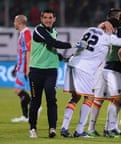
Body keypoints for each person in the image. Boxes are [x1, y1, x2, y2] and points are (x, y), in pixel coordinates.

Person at [60, 18, 121, 138]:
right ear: (112, 28)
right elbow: (120, 42)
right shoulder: (107, 38)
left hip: (73, 64)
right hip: (85, 69)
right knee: (89, 98)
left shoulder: (90, 29)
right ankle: (79, 130)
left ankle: (64, 127)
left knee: (75, 97)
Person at [28, 9, 85, 138]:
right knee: (35, 102)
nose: (48, 20)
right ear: (42, 19)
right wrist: (75, 44)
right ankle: (32, 128)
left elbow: (50, 49)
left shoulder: (53, 31)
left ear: (54, 19)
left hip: (51, 70)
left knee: (51, 99)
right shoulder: (39, 30)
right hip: (36, 70)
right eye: (46, 17)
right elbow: (52, 43)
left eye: (50, 17)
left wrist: (61, 58)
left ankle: (52, 128)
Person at [11, 15, 31, 123]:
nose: (14, 23)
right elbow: (21, 52)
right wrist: (16, 66)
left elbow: (28, 51)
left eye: (15, 21)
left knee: (18, 90)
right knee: (18, 90)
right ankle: (32, 107)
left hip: (23, 67)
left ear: (19, 22)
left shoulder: (26, 33)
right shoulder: (22, 33)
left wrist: (27, 67)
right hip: (20, 66)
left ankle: (27, 114)